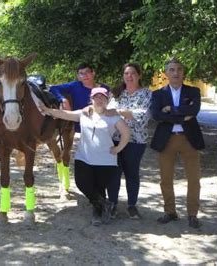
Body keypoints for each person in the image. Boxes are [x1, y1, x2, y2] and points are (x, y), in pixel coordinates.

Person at [41, 87, 130, 226]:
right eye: (96, 97)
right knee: (81, 183)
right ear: (91, 99)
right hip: (84, 157)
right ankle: (105, 204)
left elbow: (126, 133)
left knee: (100, 188)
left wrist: (118, 148)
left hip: (105, 159)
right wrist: (48, 110)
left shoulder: (114, 117)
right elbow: (64, 114)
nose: (99, 100)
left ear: (107, 100)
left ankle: (98, 212)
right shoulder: (84, 114)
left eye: (102, 97)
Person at [150, 58, 205, 229]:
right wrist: (182, 113)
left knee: (194, 179)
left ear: (183, 72)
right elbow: (156, 115)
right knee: (166, 179)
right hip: (166, 140)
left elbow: (193, 111)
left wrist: (169, 110)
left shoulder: (193, 91)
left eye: (179, 69)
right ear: (166, 73)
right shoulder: (158, 94)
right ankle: (170, 211)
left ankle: (192, 214)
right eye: (172, 69)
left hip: (189, 139)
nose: (176, 72)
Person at [49, 63, 110, 195]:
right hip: (80, 128)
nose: (85, 76)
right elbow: (53, 88)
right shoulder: (75, 86)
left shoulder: (104, 89)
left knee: (100, 162)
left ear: (93, 73)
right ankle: (74, 185)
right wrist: (63, 99)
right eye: (81, 73)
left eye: (87, 72)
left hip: (101, 129)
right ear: (78, 76)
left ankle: (100, 192)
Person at [106, 63, 152, 219]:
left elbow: (142, 116)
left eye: (132, 73)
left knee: (132, 173)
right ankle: (112, 203)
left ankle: (132, 205)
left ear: (139, 75)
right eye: (126, 73)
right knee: (113, 174)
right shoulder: (117, 94)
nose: (129, 76)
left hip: (136, 141)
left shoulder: (146, 94)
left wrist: (118, 112)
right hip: (115, 140)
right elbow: (107, 114)